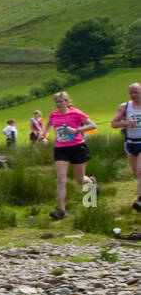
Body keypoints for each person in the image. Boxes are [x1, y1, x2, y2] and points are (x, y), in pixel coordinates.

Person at [46, 91, 96, 221]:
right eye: (57, 101)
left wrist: (77, 130)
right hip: (61, 149)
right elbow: (48, 124)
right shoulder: (53, 114)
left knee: (79, 180)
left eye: (62, 101)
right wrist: (42, 134)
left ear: (67, 102)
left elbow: (92, 125)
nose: (59, 104)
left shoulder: (76, 113)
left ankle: (91, 182)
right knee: (61, 179)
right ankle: (61, 210)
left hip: (77, 147)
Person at [109, 81, 141, 212]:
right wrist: (127, 123)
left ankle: (139, 200)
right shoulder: (125, 107)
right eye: (131, 93)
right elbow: (113, 123)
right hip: (131, 143)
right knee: (136, 173)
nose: (133, 95)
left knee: (140, 171)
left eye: (136, 92)